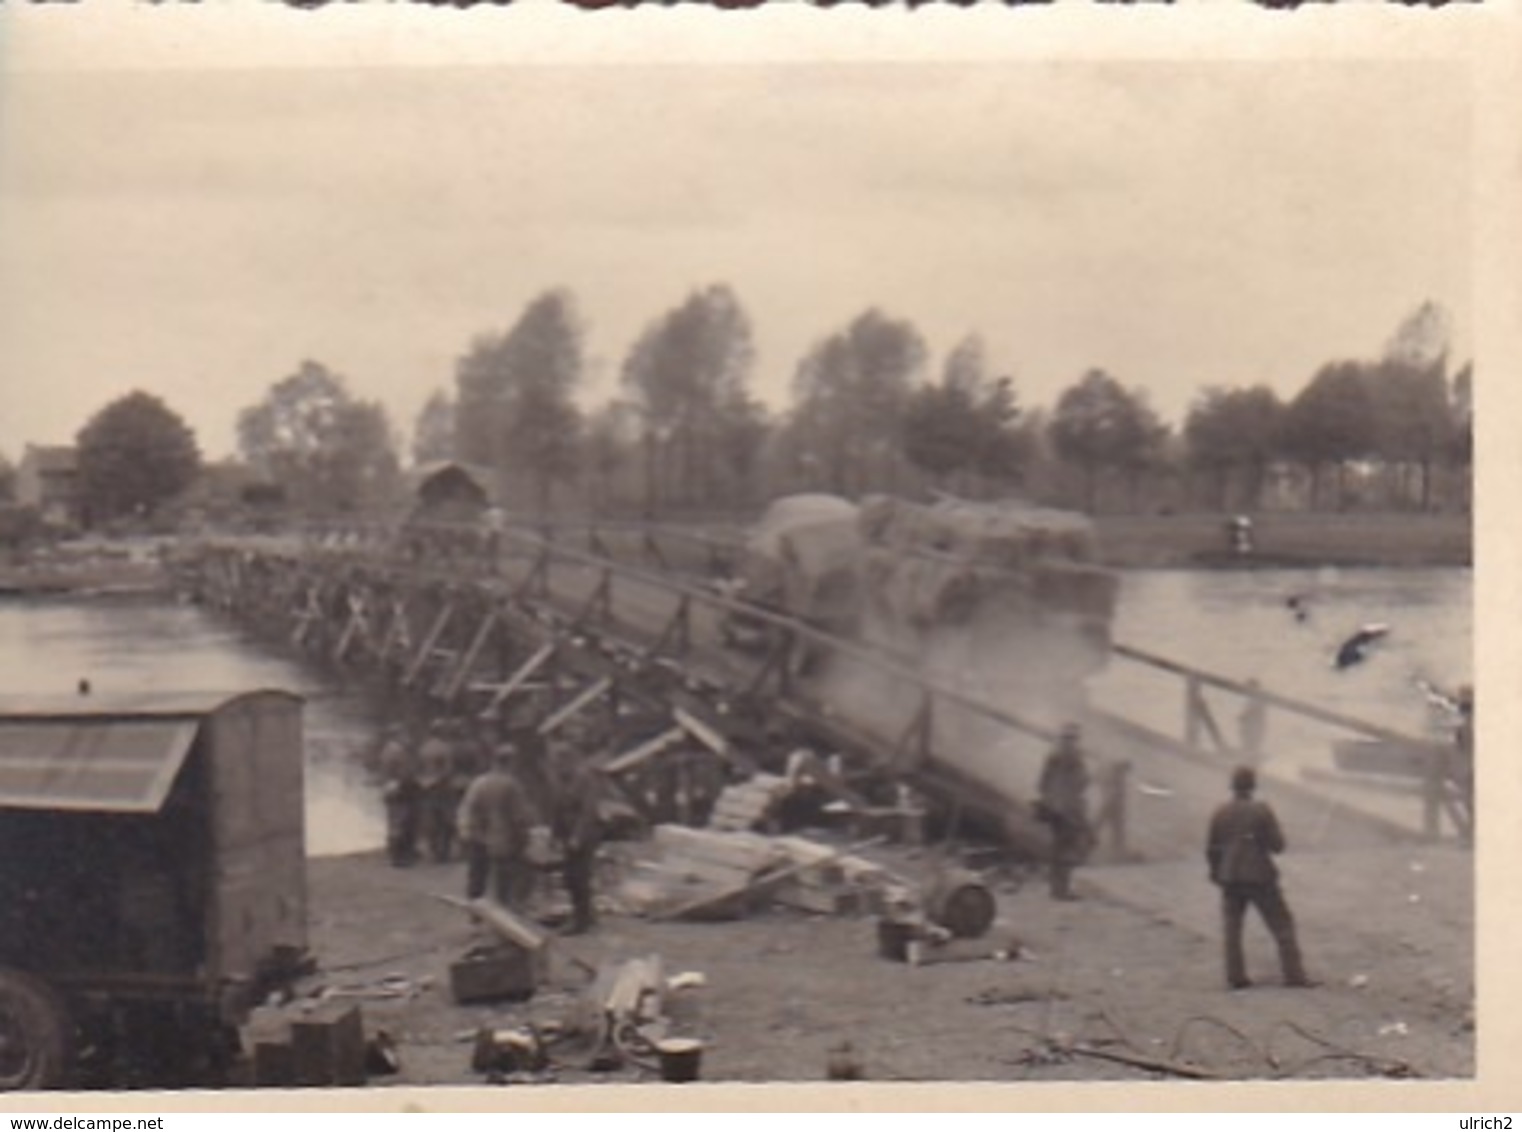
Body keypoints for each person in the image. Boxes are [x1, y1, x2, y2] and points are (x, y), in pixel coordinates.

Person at [1205, 766, 1313, 990]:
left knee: (1232, 928)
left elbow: (1212, 848)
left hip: (1230, 877)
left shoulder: (1220, 812)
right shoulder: (1261, 810)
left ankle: (1236, 977)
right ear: (1253, 786)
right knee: (1282, 924)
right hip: (1259, 875)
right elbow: (1278, 846)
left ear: (1232, 786)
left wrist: (1217, 873)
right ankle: (1294, 975)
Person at [456, 744, 535, 908]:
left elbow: (467, 809)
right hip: (501, 839)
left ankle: (476, 916)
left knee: (477, 878)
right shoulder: (510, 784)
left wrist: (467, 832)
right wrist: (525, 838)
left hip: (476, 835)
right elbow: (518, 817)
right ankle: (504, 912)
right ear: (510, 762)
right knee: (504, 881)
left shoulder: (479, 782)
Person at [550, 750, 606, 935]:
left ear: (570, 761)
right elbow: (556, 810)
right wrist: (555, 836)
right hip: (568, 834)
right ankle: (585, 914)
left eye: (560, 763)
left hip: (585, 834)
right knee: (570, 877)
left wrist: (578, 837)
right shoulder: (559, 781)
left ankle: (581, 920)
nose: (558, 767)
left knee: (579, 876)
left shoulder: (585, 779)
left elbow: (588, 811)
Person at [1036, 722, 1093, 901]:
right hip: (1069, 810)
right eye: (1072, 738)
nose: (1073, 742)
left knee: (1058, 847)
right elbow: (1081, 782)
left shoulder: (1053, 756)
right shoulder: (1074, 757)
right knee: (1067, 848)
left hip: (1056, 808)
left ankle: (1056, 888)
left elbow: (1041, 784)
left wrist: (1049, 800)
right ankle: (1062, 889)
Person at [378, 726, 422, 868]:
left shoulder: (388, 749)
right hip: (399, 789)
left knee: (396, 821)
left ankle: (398, 853)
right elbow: (404, 772)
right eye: (405, 735)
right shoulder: (398, 751)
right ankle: (399, 857)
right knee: (401, 822)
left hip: (392, 787)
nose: (408, 738)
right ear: (398, 736)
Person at [1237, 680, 1268, 765]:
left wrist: (1243, 716)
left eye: (1249, 688)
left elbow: (1250, 711)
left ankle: (1249, 763)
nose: (1247, 690)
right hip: (1252, 726)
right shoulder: (1254, 699)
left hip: (1253, 726)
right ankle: (1249, 762)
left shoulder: (1256, 699)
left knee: (1250, 745)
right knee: (1249, 745)